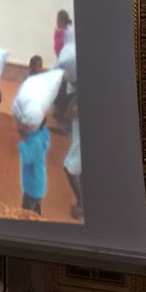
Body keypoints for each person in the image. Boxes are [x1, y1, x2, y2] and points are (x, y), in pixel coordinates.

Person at [18, 120, 51, 215]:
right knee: (36, 210)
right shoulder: (42, 133)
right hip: (38, 184)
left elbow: (27, 158)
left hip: (32, 187)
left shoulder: (35, 141)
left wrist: (22, 145)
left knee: (26, 213)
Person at [63, 93, 83, 221]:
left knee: (69, 170)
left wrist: (75, 100)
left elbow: (71, 113)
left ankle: (81, 206)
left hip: (80, 146)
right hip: (78, 142)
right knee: (79, 173)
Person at [53, 10, 74, 126]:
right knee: (62, 87)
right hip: (65, 63)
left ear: (61, 21)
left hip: (67, 64)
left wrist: (58, 35)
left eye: (57, 20)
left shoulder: (67, 33)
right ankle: (61, 113)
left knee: (64, 88)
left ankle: (63, 115)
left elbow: (60, 49)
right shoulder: (64, 31)